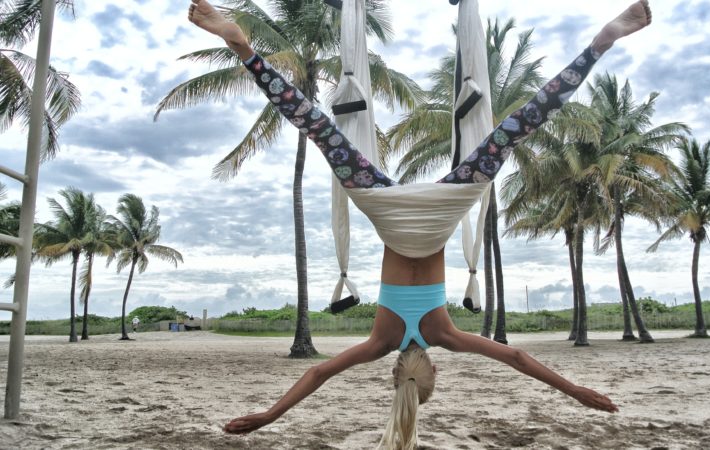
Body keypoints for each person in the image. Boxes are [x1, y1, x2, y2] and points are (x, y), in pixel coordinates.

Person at [187, 0, 651, 445]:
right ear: (395, 372)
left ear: (434, 366)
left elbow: (516, 357)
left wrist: (577, 391)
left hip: (446, 207)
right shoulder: (379, 340)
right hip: (383, 207)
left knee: (520, 125)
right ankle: (244, 48)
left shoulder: (444, 334)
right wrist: (270, 413)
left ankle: (601, 43)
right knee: (316, 126)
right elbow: (317, 373)